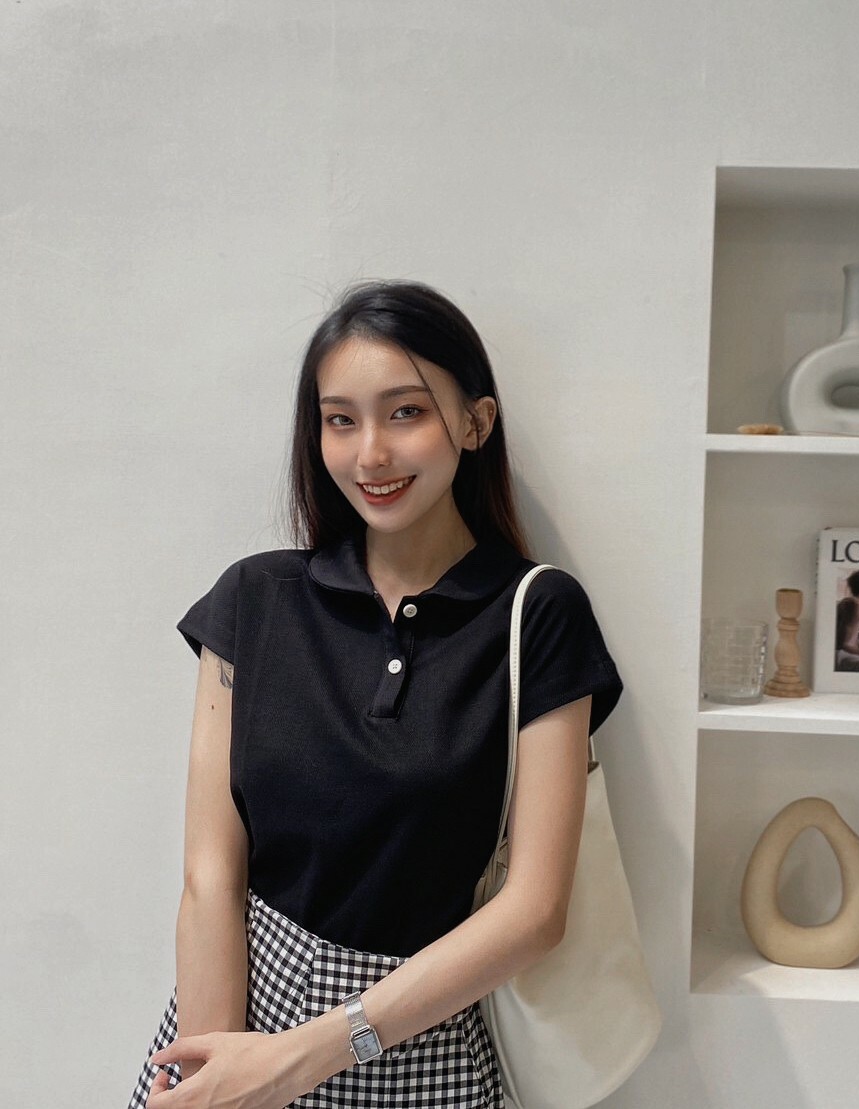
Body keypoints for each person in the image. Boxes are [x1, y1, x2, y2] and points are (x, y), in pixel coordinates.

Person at [129, 281, 623, 1108]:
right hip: (234, 1029)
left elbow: (535, 909)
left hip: (422, 1044)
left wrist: (301, 1059)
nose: (370, 455)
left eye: (405, 413)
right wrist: (219, 1077)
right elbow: (211, 873)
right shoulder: (254, 599)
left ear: (475, 422)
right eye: (340, 420)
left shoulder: (536, 613)